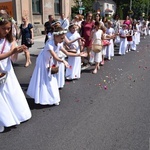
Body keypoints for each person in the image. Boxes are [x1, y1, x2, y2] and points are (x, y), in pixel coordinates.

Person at [26, 27, 85, 106]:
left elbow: (67, 53)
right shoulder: (49, 44)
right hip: (44, 62)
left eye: (63, 38)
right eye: (61, 38)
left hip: (51, 61)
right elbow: (55, 56)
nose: (63, 40)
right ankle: (43, 98)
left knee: (51, 80)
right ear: (55, 36)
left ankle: (52, 98)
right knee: (44, 80)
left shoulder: (60, 43)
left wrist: (78, 54)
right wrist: (62, 61)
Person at [0, 13, 32, 133]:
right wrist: (11, 52)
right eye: (4, 28)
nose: (7, 31)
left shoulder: (9, 40)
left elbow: (12, 59)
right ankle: (4, 120)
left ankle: (17, 115)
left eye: (8, 28)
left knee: (10, 93)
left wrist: (17, 51)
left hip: (7, 70)